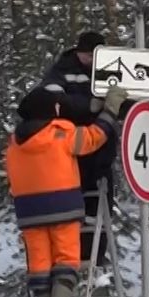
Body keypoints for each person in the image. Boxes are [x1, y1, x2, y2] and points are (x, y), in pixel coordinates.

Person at [5, 84, 129, 297]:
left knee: (39, 263)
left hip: (28, 213)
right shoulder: (60, 134)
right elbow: (96, 136)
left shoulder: (14, 145)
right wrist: (110, 108)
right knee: (66, 259)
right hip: (62, 206)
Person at [41, 31, 119, 263]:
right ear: (79, 51)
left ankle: (97, 256)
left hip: (102, 150)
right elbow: (51, 102)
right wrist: (90, 106)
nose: (91, 61)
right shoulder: (62, 70)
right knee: (74, 206)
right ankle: (72, 256)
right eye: (87, 55)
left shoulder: (111, 68)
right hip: (72, 149)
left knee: (101, 205)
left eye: (95, 56)